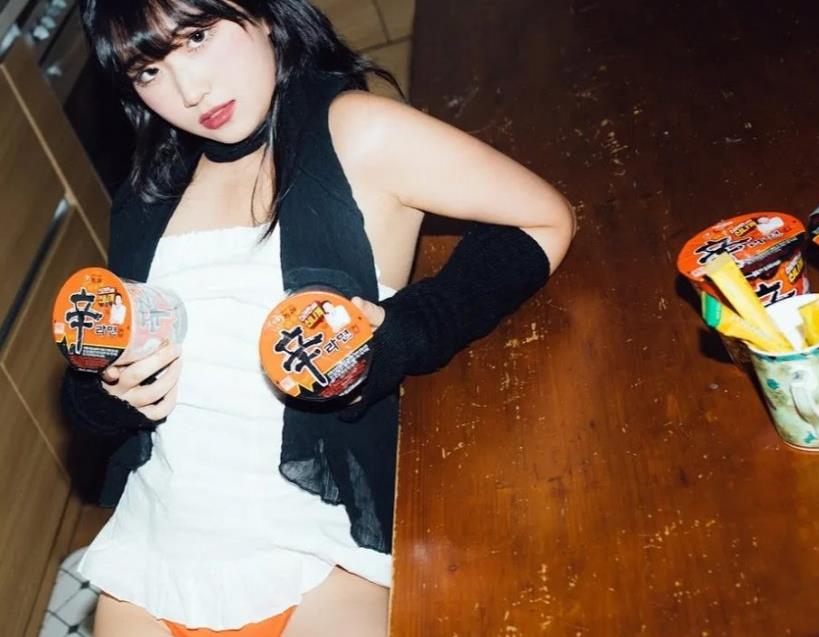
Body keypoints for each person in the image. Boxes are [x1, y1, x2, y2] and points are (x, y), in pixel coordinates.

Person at [60, 1, 576, 635]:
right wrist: (108, 395)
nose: (189, 91)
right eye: (148, 70)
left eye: (197, 36)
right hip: (152, 559)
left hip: (325, 556)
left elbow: (542, 220)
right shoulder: (149, 191)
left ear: (261, 14)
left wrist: (405, 332)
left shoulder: (360, 131)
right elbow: (102, 371)